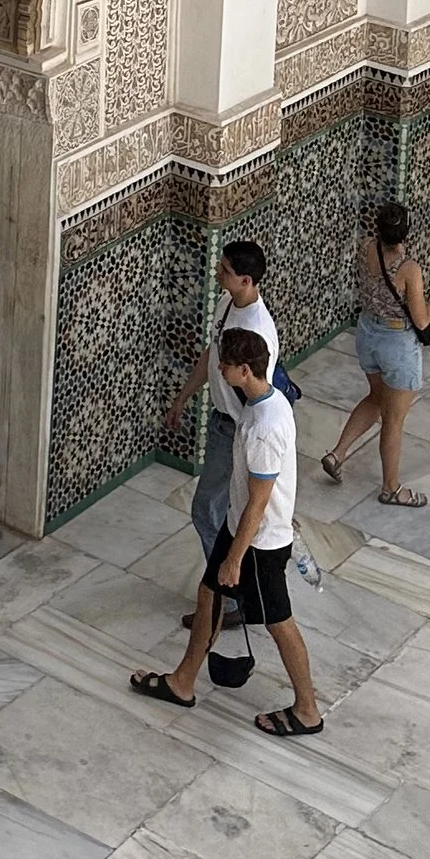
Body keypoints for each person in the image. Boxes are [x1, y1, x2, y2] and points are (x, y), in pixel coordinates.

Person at [131, 327, 323, 739]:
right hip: (240, 529)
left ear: (244, 370)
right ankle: (182, 682)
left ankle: (307, 710)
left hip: (259, 543)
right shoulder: (258, 403)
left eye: (226, 366)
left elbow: (259, 500)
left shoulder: (265, 427)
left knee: (279, 622)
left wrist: (236, 556)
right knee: (209, 594)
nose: (219, 370)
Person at [163, 240, 279, 619]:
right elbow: (211, 357)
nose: (218, 273)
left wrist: (245, 446)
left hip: (236, 433)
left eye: (226, 270)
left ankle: (230, 594)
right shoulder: (227, 304)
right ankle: (234, 588)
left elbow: (257, 393)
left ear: (246, 280)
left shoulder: (257, 332)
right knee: (218, 512)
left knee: (208, 512)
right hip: (221, 423)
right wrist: (184, 397)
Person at [321, 200, 430, 507]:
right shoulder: (409, 270)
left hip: (367, 334)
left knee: (376, 398)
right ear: (406, 233)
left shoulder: (366, 249)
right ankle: (391, 488)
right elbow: (422, 320)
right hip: (396, 344)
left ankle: (337, 454)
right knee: (393, 418)